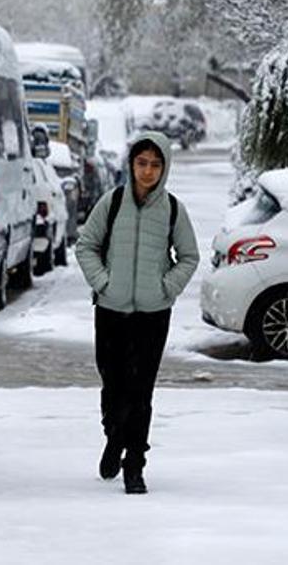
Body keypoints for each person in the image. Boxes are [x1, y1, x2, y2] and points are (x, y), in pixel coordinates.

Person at [75, 132, 199, 494]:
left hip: (153, 315)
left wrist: (166, 287)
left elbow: (189, 256)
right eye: (142, 163)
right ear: (131, 165)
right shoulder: (112, 202)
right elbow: (86, 245)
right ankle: (114, 437)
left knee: (141, 390)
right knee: (113, 385)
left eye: (155, 165)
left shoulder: (173, 209)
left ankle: (134, 465)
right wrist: (104, 283)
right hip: (111, 311)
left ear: (165, 168)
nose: (148, 171)